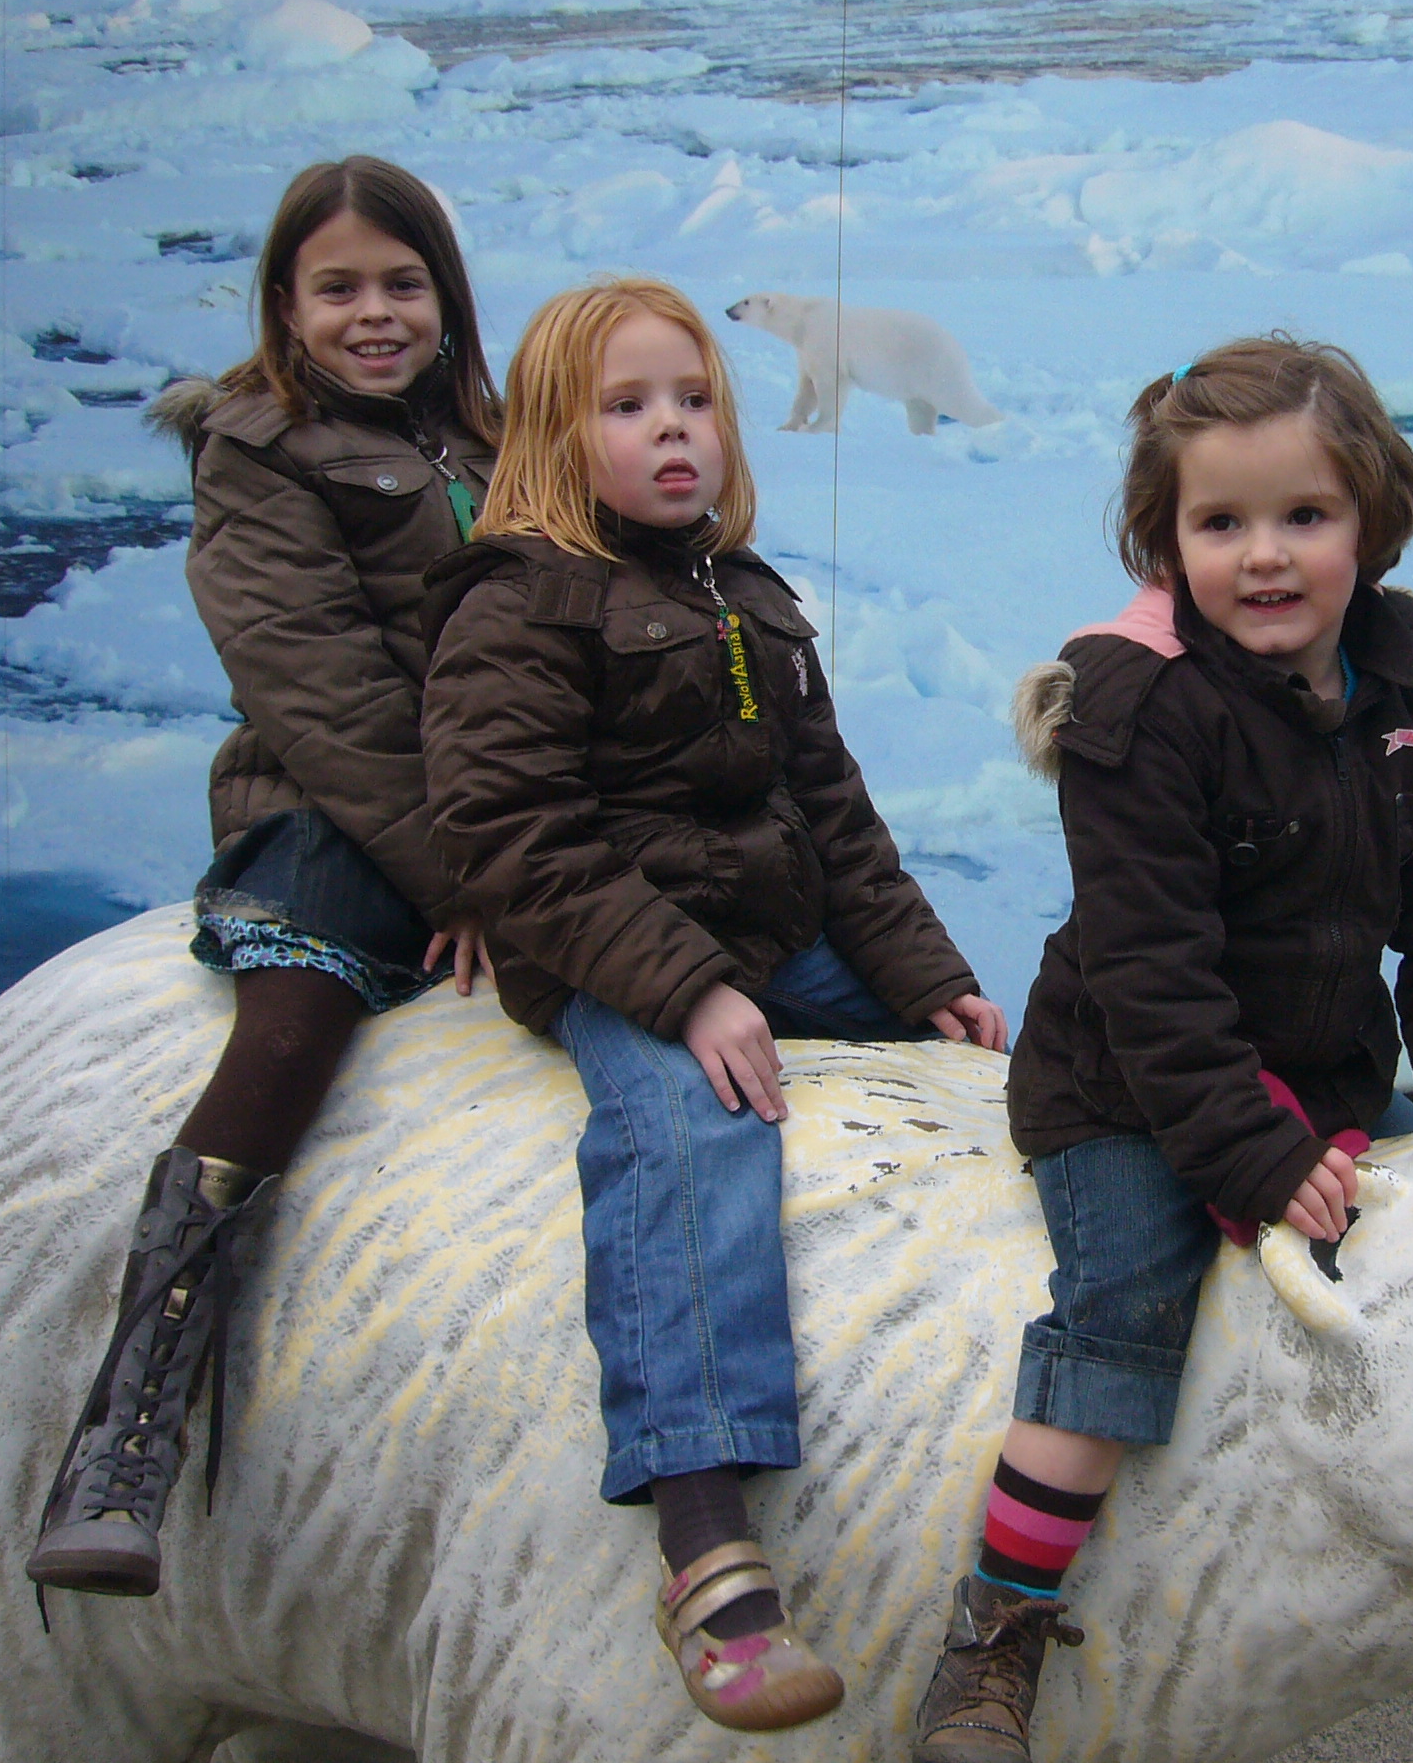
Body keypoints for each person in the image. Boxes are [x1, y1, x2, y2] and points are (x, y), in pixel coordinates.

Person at [911, 336, 1413, 1763]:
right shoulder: (1139, 707)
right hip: (1129, 1089)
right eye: (1221, 523)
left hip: (1323, 1070)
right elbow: (1152, 976)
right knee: (1124, 1321)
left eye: (1305, 516)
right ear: (1167, 542)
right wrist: (1254, 1155)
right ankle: (997, 1628)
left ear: (1372, 519)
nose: (1264, 555)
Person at [418, 277, 1011, 1733]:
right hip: (618, 956)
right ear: (556, 437)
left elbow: (836, 814)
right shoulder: (519, 601)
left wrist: (924, 976)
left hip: (772, 932)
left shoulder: (743, 590)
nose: (673, 429)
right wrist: (685, 991)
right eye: (628, 407)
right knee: (690, 1137)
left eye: (693, 400)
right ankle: (701, 1531)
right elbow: (512, 834)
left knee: (1014, 1079)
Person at [27, 156, 501, 1599]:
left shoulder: (493, 436)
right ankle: (128, 1433)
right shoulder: (259, 451)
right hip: (336, 808)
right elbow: (321, 688)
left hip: (508, 810)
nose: (376, 313)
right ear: (285, 307)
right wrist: (464, 876)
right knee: (292, 1030)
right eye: (339, 287)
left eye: (403, 283)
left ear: (446, 296)